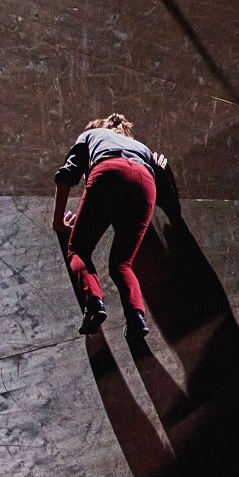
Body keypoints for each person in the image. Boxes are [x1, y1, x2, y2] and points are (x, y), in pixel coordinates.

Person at [54, 112, 170, 339]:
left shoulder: (90, 135)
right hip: (145, 181)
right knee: (122, 264)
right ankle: (136, 317)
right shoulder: (142, 147)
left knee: (78, 250)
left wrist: (58, 221)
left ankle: (94, 304)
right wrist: (160, 168)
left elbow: (66, 175)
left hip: (108, 172)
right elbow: (159, 180)